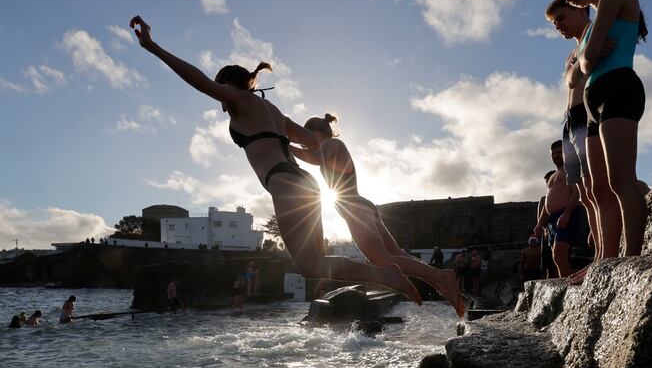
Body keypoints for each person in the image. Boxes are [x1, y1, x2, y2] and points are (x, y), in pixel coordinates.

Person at [129, 16, 422, 308]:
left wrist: (153, 47)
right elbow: (312, 140)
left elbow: (200, 81)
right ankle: (385, 274)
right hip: (305, 184)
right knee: (315, 263)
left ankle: (385, 275)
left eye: (222, 90)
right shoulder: (273, 111)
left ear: (229, 84)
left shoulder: (238, 99)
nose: (220, 100)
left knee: (310, 265)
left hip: (284, 183)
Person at [289, 114, 464, 317]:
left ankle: (441, 276)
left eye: (307, 139)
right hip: (363, 207)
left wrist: (285, 144)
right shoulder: (332, 147)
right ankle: (440, 283)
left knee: (382, 261)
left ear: (316, 133)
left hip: (355, 210)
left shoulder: (330, 144)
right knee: (397, 255)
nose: (306, 145)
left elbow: (315, 157)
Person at [556, 0, 648, 268]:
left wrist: (587, 56)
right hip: (594, 102)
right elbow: (584, 63)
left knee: (621, 180)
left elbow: (588, 59)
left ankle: (632, 256)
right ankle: (605, 260)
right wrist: (587, 55)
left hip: (618, 88)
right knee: (599, 186)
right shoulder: (594, 22)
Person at [545, 0, 604, 284]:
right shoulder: (575, 49)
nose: (558, 27)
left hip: (584, 114)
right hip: (570, 119)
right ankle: (599, 256)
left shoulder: (593, 33)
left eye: (561, 19)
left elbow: (580, 75)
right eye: (555, 23)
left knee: (595, 186)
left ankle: (604, 255)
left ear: (579, 9)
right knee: (584, 190)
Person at [534, 141, 580, 278]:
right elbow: (547, 201)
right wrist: (540, 223)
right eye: (553, 153)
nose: (556, 155)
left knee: (559, 255)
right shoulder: (553, 176)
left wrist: (566, 214)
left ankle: (571, 285)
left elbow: (576, 193)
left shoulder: (569, 170)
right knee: (556, 258)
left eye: (559, 152)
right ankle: (566, 282)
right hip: (553, 219)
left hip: (566, 214)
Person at [538, 171, 558, 279]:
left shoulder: (564, 195)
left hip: (559, 230)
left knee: (558, 261)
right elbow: (540, 220)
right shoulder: (544, 199)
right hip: (548, 233)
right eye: (546, 181)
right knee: (549, 266)